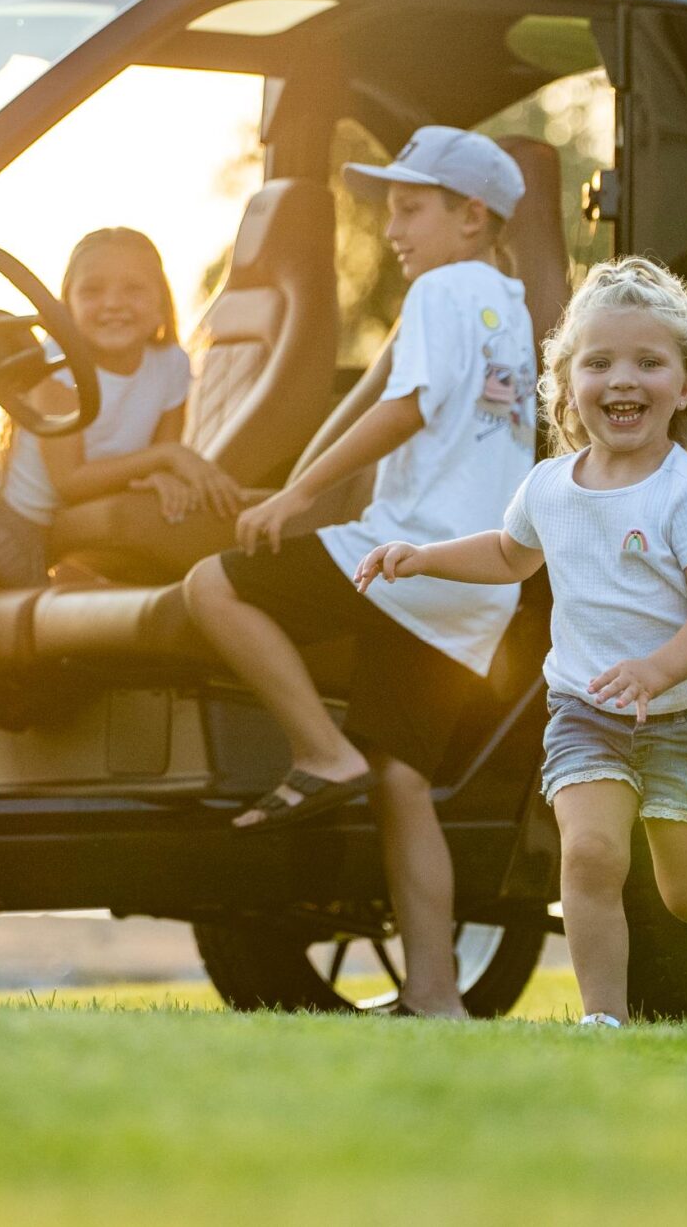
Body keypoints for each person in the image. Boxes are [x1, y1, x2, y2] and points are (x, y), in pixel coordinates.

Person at [354, 256, 687, 1027]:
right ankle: (603, 1019)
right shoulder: (551, 486)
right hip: (586, 709)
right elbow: (508, 554)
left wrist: (656, 671)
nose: (623, 379)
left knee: (686, 892)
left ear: (684, 386)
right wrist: (422, 556)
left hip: (683, 715)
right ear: (568, 386)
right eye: (600, 363)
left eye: (648, 362)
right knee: (589, 856)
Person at [184, 126, 536, 1020]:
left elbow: (406, 407)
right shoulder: (510, 305)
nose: (392, 230)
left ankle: (317, 750)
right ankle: (435, 996)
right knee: (403, 780)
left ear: (470, 215)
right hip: (478, 584)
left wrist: (297, 495)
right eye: (389, 211)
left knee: (212, 586)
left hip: (408, 552)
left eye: (410, 209)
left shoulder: (442, 289)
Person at [0, 226, 242, 666]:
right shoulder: (58, 371)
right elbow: (70, 481)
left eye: (134, 289)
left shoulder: (171, 365)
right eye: (93, 290)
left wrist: (163, 470)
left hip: (43, 539)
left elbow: (159, 454)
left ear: (161, 302)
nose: (114, 303)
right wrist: (167, 459)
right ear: (66, 308)